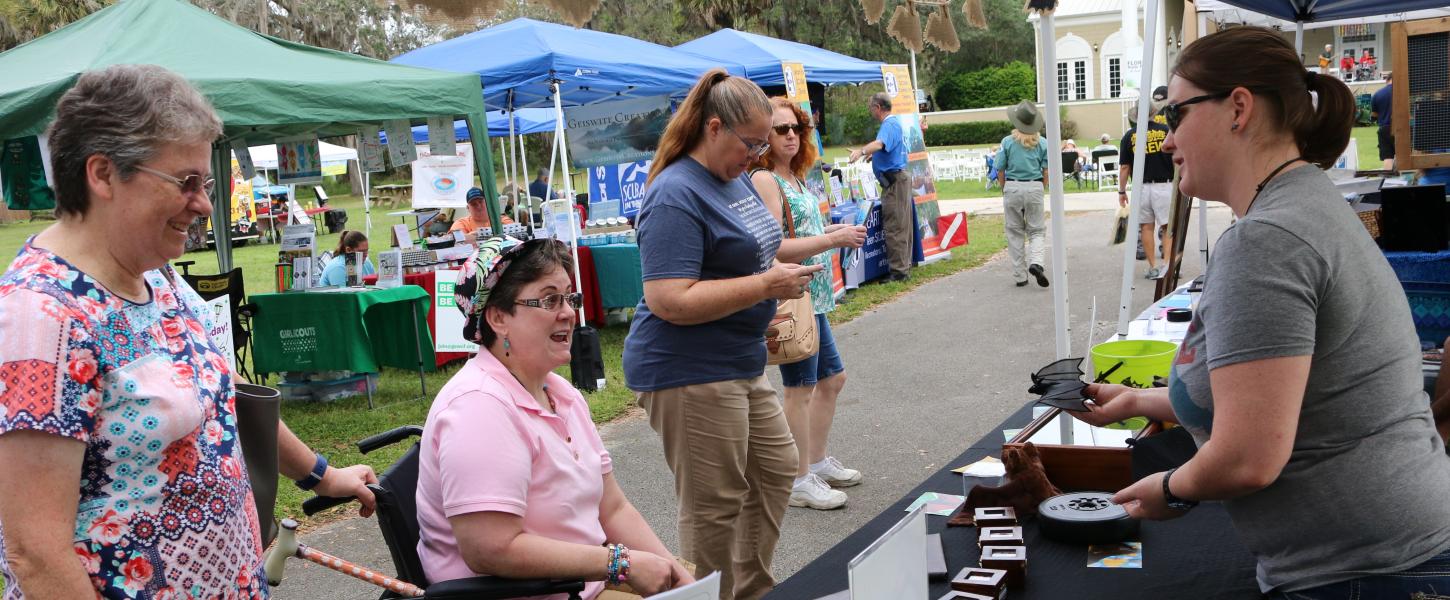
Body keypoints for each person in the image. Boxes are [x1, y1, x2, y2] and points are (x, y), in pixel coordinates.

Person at [1073, 27, 1450, 598]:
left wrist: (1172, 489)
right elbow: (1282, 390)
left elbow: (1248, 458)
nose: (1167, 140)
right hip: (1386, 552)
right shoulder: (1304, 202)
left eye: (1175, 116)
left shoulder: (1269, 238)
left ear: (1238, 108)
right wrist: (1144, 401)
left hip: (1365, 572)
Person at [0, 64, 378, 600]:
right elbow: (35, 553)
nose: (203, 203)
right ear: (103, 174)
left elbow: (222, 397)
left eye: (206, 183)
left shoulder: (155, 273)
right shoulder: (41, 318)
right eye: (186, 182)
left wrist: (321, 474)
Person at [622, 69, 821, 600]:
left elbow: (759, 249)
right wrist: (763, 287)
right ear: (713, 128)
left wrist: (779, 279)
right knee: (715, 506)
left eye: (763, 143)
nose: (758, 155)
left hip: (737, 360)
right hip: (686, 370)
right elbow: (669, 299)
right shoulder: (674, 193)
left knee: (777, 469)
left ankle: (747, 591)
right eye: (751, 142)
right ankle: (708, 595)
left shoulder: (730, 179)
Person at [416, 237, 694, 599]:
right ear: (498, 317)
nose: (568, 312)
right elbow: (491, 548)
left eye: (569, 298)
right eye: (549, 300)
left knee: (703, 584)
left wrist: (677, 581)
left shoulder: (561, 394)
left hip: (585, 583)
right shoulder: (478, 408)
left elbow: (613, 508)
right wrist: (620, 564)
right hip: (540, 592)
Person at [749, 98, 868, 511]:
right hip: (796, 295)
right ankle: (796, 478)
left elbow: (801, 232)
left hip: (813, 296)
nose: (790, 136)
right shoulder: (766, 179)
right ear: (762, 136)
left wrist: (830, 230)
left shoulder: (794, 178)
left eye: (796, 128)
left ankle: (813, 462)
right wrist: (831, 240)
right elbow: (774, 246)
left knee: (832, 380)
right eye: (780, 129)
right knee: (799, 389)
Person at [848, 92, 912, 282]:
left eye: (871, 108)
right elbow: (886, 149)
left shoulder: (889, 124)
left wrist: (862, 151)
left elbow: (880, 143)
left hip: (894, 183)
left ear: (877, 107)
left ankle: (899, 272)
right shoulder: (894, 124)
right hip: (896, 180)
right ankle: (903, 267)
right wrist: (873, 157)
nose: (870, 111)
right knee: (900, 224)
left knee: (895, 226)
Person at [995, 101, 1050, 288]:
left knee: (1014, 232)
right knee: (1036, 230)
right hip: (1034, 186)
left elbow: (1000, 168)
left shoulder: (1007, 142)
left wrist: (1004, 188)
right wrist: (1041, 186)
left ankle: (1020, 276)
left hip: (1012, 187)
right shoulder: (1043, 143)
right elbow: (1046, 170)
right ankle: (1037, 262)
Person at [1119, 103, 1175, 280]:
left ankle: (1153, 267)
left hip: (1141, 187)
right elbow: (1176, 158)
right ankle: (1167, 265)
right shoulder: (1167, 131)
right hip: (1165, 185)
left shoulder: (1129, 136)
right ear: (1154, 113)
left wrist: (1121, 191)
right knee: (1168, 227)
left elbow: (1125, 168)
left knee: (1146, 227)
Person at [449, 187, 514, 238]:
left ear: (487, 203)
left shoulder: (502, 220)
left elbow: (515, 235)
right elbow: (457, 241)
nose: (478, 206)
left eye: (480, 202)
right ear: (468, 208)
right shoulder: (462, 223)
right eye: (473, 204)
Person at [1371, 72, 1395, 171]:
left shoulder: (1377, 94)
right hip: (1402, 128)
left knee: (1387, 157)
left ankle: (1388, 180)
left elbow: (1374, 115)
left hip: (1384, 128)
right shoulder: (1403, 91)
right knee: (1402, 155)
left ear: (1387, 80)